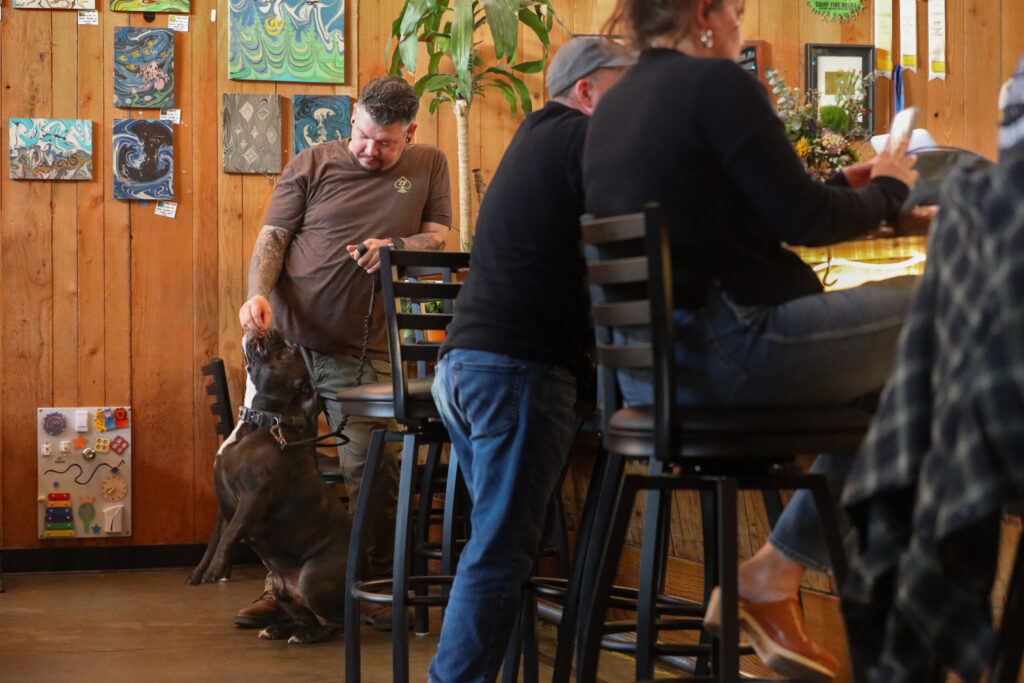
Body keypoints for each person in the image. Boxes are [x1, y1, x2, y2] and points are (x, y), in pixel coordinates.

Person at [582, 1, 919, 680]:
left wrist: (831, 186)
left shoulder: (617, 103)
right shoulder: (717, 83)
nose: (738, 23)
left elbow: (741, 211)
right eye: (734, 10)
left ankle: (773, 572)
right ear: (703, 13)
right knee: (950, 300)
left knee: (896, 393)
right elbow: (806, 223)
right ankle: (797, 576)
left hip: (653, 376)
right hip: (728, 350)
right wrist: (888, 186)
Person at [427, 36, 634, 682]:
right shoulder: (585, 141)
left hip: (466, 369)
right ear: (588, 91)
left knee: (498, 546)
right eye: (628, 87)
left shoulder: (537, 138)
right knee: (500, 550)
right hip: (514, 370)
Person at [233, 75, 452, 630]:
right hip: (288, 348)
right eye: (362, 135)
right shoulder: (311, 162)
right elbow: (273, 238)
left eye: (385, 142)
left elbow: (441, 235)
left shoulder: (429, 165)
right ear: (353, 117)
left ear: (411, 133)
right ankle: (281, 588)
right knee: (273, 472)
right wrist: (258, 291)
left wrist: (398, 246)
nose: (369, 150)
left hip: (364, 349)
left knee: (375, 466)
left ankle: (371, 587)